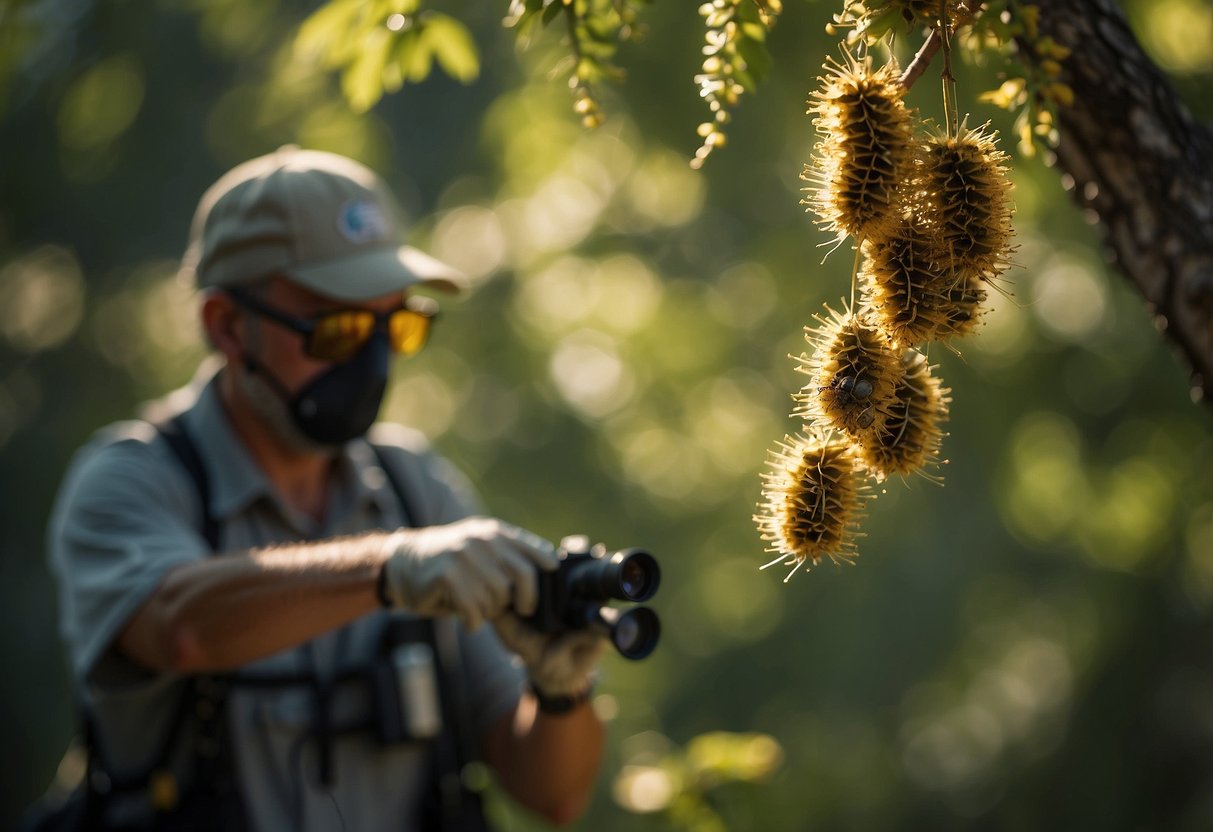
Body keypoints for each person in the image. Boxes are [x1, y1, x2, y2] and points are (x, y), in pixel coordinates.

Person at [44, 146, 607, 831]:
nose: (372, 362)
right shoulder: (132, 479)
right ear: (225, 325)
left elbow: (552, 795)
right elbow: (181, 630)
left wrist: (559, 690)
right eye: (337, 328)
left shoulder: (414, 484)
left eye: (395, 324)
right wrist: (392, 567)